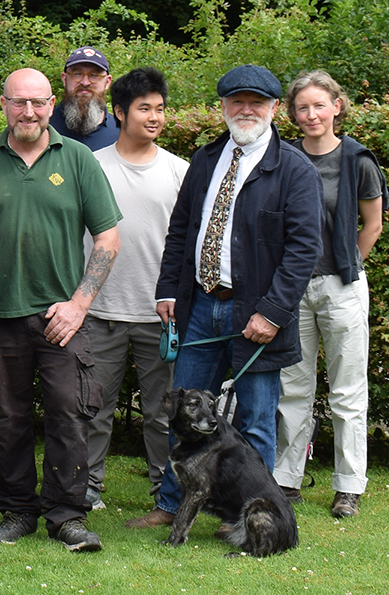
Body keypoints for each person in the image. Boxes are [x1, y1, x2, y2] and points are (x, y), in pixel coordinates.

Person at [127, 65, 322, 531]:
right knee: (182, 415)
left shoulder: (294, 169)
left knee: (255, 421)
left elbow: (303, 250)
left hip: (254, 313)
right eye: (237, 101)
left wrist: (272, 313)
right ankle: (171, 506)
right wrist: (168, 289)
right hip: (199, 308)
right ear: (224, 107)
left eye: (257, 102)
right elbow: (181, 230)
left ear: (275, 109)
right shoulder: (206, 158)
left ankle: (249, 513)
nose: (246, 109)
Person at [0, 68, 120, 552]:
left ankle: (67, 516)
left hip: (62, 318)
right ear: (3, 105)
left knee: (69, 414)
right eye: (19, 103)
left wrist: (80, 305)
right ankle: (17, 511)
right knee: (5, 418)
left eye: (38, 103)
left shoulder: (77, 159)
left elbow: (108, 238)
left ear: (51, 103)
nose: (29, 112)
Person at [274, 70, 383, 518]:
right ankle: (286, 479)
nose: (311, 114)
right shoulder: (282, 158)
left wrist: (345, 266)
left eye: (320, 105)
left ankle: (349, 485)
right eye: (303, 107)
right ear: (293, 114)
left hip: (342, 288)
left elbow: (372, 224)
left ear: (337, 106)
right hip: (292, 288)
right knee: (291, 388)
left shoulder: (358, 159)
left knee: (347, 391)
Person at [83, 67, 188, 510]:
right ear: (120, 112)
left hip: (159, 314)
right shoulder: (91, 165)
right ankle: (87, 486)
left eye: (160, 109)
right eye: (144, 108)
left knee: (163, 413)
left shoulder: (180, 171)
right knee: (92, 409)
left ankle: (166, 489)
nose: (154, 117)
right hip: (99, 310)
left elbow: (189, 242)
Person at [48, 47, 119, 151]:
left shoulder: (121, 133)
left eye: (94, 75)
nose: (85, 82)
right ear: (64, 79)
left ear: (107, 82)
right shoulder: (45, 126)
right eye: (77, 74)